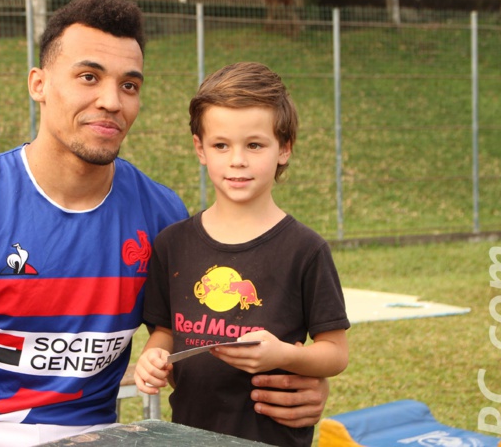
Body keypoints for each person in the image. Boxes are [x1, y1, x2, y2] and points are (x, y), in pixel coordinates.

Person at [0, 0, 330, 447]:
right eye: (88, 77)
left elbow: (194, 343)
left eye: (129, 85)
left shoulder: (161, 216)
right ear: (39, 84)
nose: (111, 101)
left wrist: (302, 382)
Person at [134, 61, 350, 446]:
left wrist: (283, 354)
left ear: (284, 148)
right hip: (190, 437)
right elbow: (165, 332)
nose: (237, 160)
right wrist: (153, 356)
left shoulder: (306, 250)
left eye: (254, 144)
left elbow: (335, 353)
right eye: (221, 145)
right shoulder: (172, 244)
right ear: (200, 149)